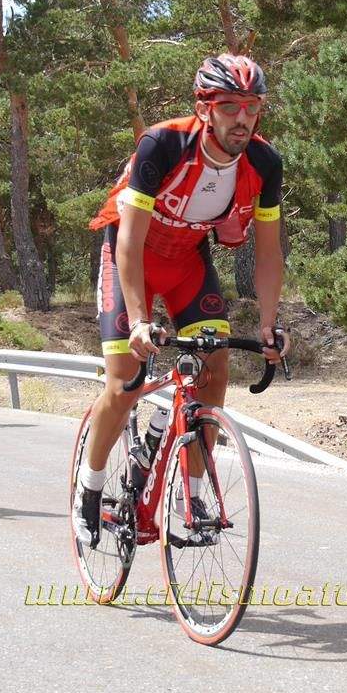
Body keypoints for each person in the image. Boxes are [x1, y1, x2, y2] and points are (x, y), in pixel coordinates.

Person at [74, 53, 291, 546]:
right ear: (204, 108)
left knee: (215, 368)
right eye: (230, 106)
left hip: (187, 264)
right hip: (130, 258)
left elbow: (269, 252)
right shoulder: (163, 144)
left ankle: (189, 496)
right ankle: (90, 486)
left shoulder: (264, 162)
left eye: (252, 106)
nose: (242, 118)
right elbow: (128, 241)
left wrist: (269, 324)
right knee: (125, 382)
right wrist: (137, 319)